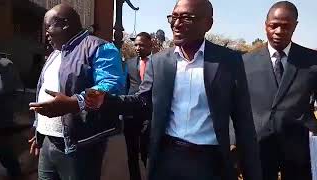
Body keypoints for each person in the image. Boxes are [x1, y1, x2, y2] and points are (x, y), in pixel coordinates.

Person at [88, 0, 262, 179]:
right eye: (174, 17)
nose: (176, 24)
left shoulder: (229, 62)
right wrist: (107, 100)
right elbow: (142, 101)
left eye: (186, 18)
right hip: (168, 157)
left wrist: (252, 173)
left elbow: (244, 123)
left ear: (208, 24)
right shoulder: (159, 62)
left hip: (211, 161)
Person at [28, 4, 124, 180]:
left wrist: (75, 102)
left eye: (48, 26)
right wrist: (39, 132)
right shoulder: (54, 54)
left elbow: (112, 84)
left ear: (64, 24)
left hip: (80, 146)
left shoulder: (100, 47)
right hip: (48, 143)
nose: (46, 33)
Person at [242, 1, 317, 180]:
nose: (278, 31)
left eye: (285, 26)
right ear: (265, 25)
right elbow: (236, 106)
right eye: (273, 26)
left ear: (295, 26)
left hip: (298, 147)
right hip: (258, 146)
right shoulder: (245, 62)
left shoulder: (312, 61)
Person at [123, 32, 152, 180]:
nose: (138, 47)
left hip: (150, 113)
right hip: (131, 114)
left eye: (142, 44)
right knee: (131, 152)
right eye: (136, 45)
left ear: (150, 45)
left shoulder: (157, 62)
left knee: (147, 152)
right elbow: (126, 86)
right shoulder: (129, 63)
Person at [0, 56, 22, 179]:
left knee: (4, 152)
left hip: (1, 120)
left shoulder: (6, 64)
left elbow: (3, 87)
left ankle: (16, 175)